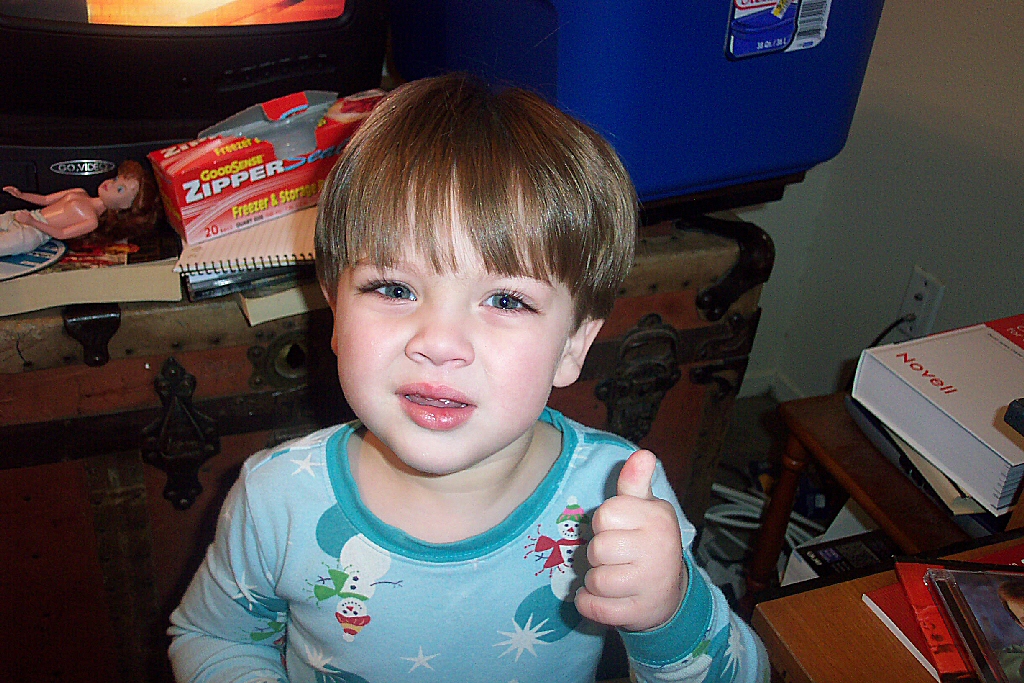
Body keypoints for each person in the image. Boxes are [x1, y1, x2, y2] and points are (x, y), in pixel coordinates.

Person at [168, 74, 769, 683]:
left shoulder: (616, 499)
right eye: (394, 289)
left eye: (506, 300)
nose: (439, 343)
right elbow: (211, 637)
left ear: (573, 345)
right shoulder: (276, 499)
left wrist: (670, 615)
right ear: (335, 310)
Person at [1, 159, 159, 256]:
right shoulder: (80, 192)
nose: (111, 184)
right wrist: (21, 195)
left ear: (124, 206)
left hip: (34, 232)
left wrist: (32, 223)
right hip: (26, 215)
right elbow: (45, 199)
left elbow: (61, 233)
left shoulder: (91, 221)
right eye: (116, 178)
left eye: (120, 189)